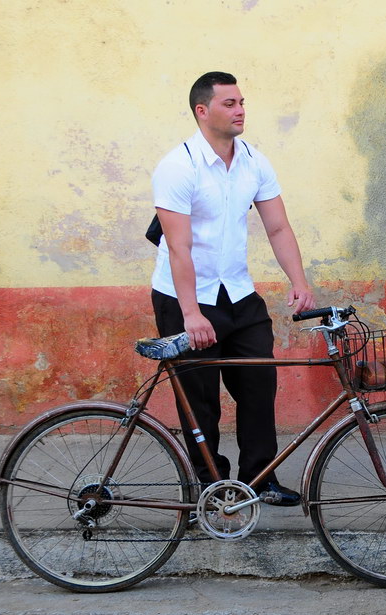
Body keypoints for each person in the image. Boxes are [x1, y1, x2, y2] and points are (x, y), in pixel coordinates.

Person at [150, 71, 314, 505]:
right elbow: (178, 248)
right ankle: (209, 485)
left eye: (242, 102)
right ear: (202, 111)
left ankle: (259, 481)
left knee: (259, 388)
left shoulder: (254, 161)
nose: (240, 110)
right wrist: (190, 315)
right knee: (200, 401)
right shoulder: (177, 166)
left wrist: (299, 282)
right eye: (229, 103)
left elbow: (277, 226)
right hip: (185, 297)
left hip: (239, 294)